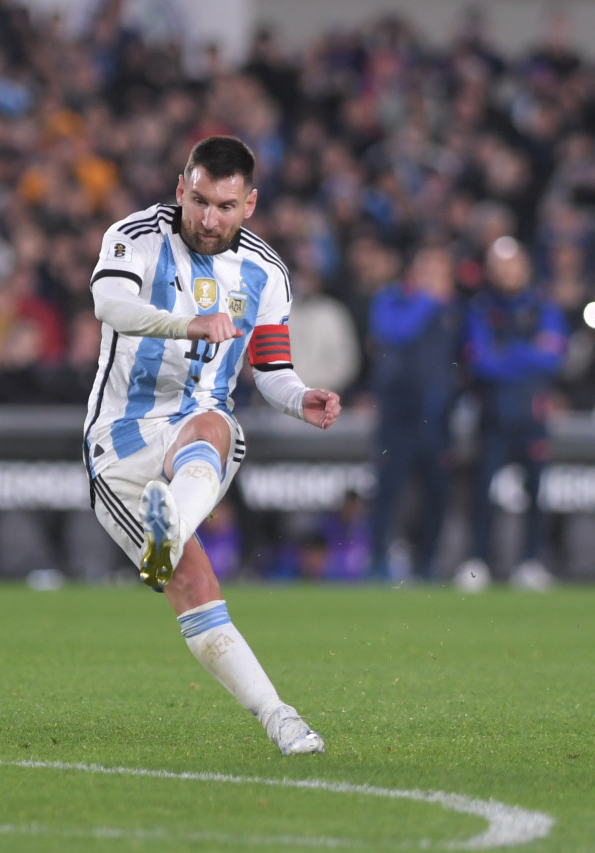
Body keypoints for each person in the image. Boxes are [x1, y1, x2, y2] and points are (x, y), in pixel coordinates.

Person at [83, 136, 341, 755]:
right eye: (199, 200)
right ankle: (168, 528)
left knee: (217, 423)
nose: (208, 218)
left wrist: (299, 396)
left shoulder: (266, 273)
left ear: (249, 204)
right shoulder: (135, 236)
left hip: (196, 427)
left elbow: (273, 369)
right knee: (194, 588)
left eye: (225, 206)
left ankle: (281, 718)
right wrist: (186, 322)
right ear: (181, 189)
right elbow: (108, 304)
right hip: (120, 444)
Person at [453, 236, 567, 592]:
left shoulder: (542, 306)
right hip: (494, 414)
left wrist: (508, 353)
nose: (506, 272)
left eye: (512, 264)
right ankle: (477, 562)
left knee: (537, 493)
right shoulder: (480, 308)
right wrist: (526, 355)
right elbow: (481, 363)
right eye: (499, 266)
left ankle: (531, 562)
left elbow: (554, 357)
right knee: (482, 493)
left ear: (525, 267)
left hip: (532, 417)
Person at [366, 244, 461, 582]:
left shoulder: (452, 310)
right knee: (388, 491)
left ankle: (427, 563)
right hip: (396, 415)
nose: (437, 278)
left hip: (436, 418)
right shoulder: (392, 299)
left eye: (441, 271)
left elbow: (467, 357)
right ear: (416, 272)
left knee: (436, 493)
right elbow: (392, 331)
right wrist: (429, 301)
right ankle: (378, 561)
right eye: (430, 270)